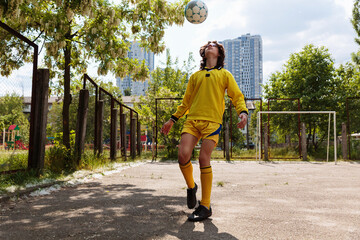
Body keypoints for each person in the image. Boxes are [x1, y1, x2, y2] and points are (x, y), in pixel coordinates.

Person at [161, 41, 248, 222]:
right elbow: (185, 102)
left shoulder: (224, 74)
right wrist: (172, 119)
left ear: (219, 53)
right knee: (183, 155)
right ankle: (192, 187)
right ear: (204, 53)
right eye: (207, 44)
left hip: (212, 123)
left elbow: (237, 96)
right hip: (192, 121)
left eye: (214, 45)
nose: (210, 45)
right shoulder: (195, 76)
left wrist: (243, 112)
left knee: (203, 159)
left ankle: (205, 206)